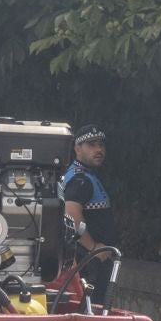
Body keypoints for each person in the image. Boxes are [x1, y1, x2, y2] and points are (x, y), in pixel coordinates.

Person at [59, 126, 119, 306]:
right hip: (88, 263)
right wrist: (93, 248)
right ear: (77, 148)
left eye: (101, 145)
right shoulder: (81, 179)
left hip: (86, 260)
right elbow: (70, 213)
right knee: (92, 309)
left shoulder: (81, 175)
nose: (99, 150)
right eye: (91, 145)